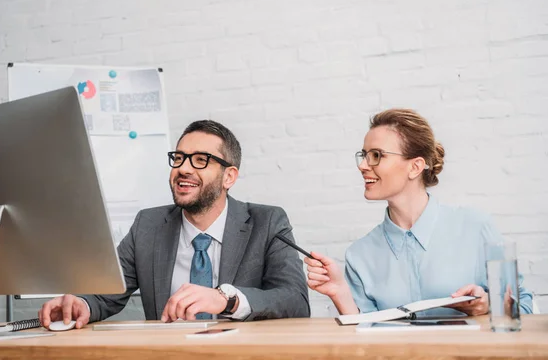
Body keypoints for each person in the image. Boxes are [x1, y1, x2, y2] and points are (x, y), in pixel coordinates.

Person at [39, 120, 310, 328]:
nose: (184, 168)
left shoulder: (267, 222)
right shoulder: (148, 224)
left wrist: (226, 299)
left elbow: (295, 300)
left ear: (229, 177)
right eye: (179, 158)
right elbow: (107, 292)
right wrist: (82, 303)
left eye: (201, 160)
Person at [305, 109, 533, 317]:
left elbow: (523, 307)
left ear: (414, 167)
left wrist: (488, 306)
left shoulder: (475, 228)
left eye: (376, 155)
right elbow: (365, 341)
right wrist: (340, 293)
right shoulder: (359, 255)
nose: (363, 165)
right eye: (363, 155)